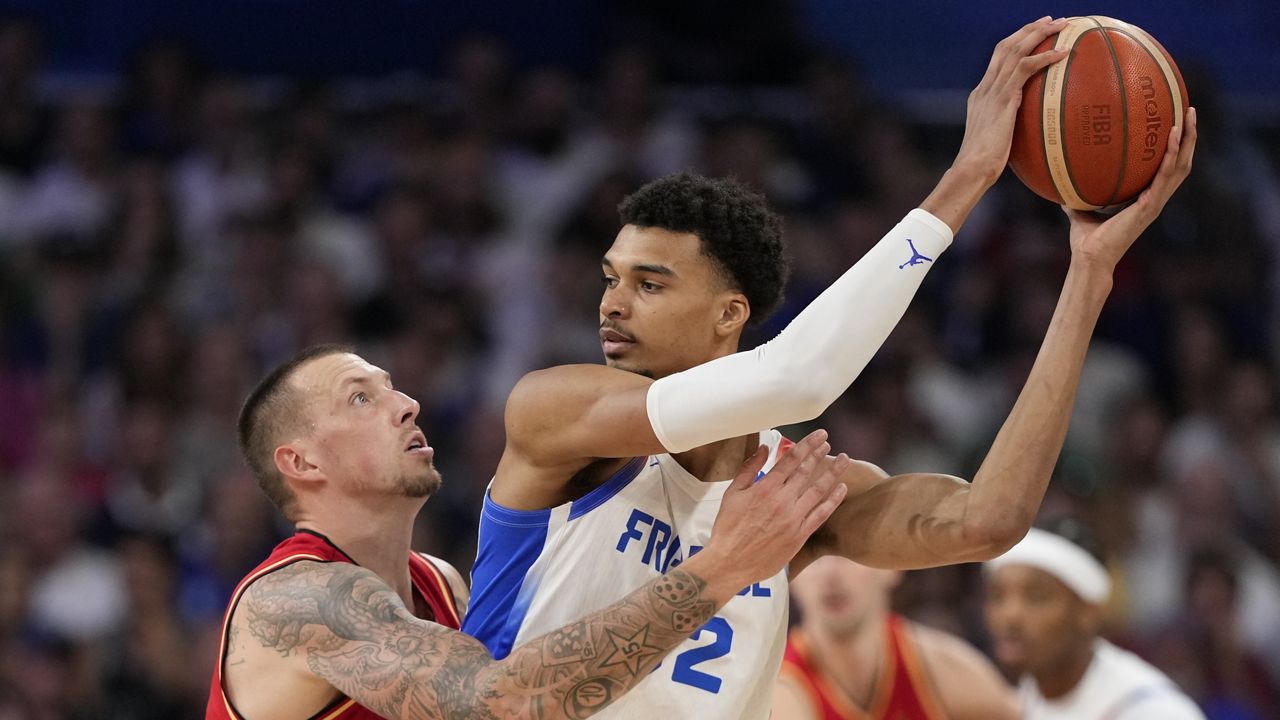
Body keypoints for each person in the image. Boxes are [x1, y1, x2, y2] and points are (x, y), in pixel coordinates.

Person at [462, 16, 1198, 719]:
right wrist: (967, 176)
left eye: (649, 283)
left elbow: (989, 521)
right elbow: (798, 378)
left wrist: (1090, 272)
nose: (613, 303)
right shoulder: (556, 412)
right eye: (610, 277)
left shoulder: (798, 496)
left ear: (730, 313)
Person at [206, 344, 849, 719]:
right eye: (360, 398)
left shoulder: (441, 583)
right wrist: (723, 564)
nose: (407, 404)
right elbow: (493, 706)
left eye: (393, 389)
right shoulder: (296, 600)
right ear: (301, 463)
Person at [984, 527, 1206, 719]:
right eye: (997, 596)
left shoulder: (1152, 712)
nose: (1010, 616)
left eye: (1037, 597)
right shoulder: (1025, 693)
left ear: (1088, 612)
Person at [772, 557, 1017, 719]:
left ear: (892, 565)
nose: (830, 575)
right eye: (813, 557)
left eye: (849, 554)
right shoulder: (780, 688)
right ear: (790, 577)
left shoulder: (943, 668)